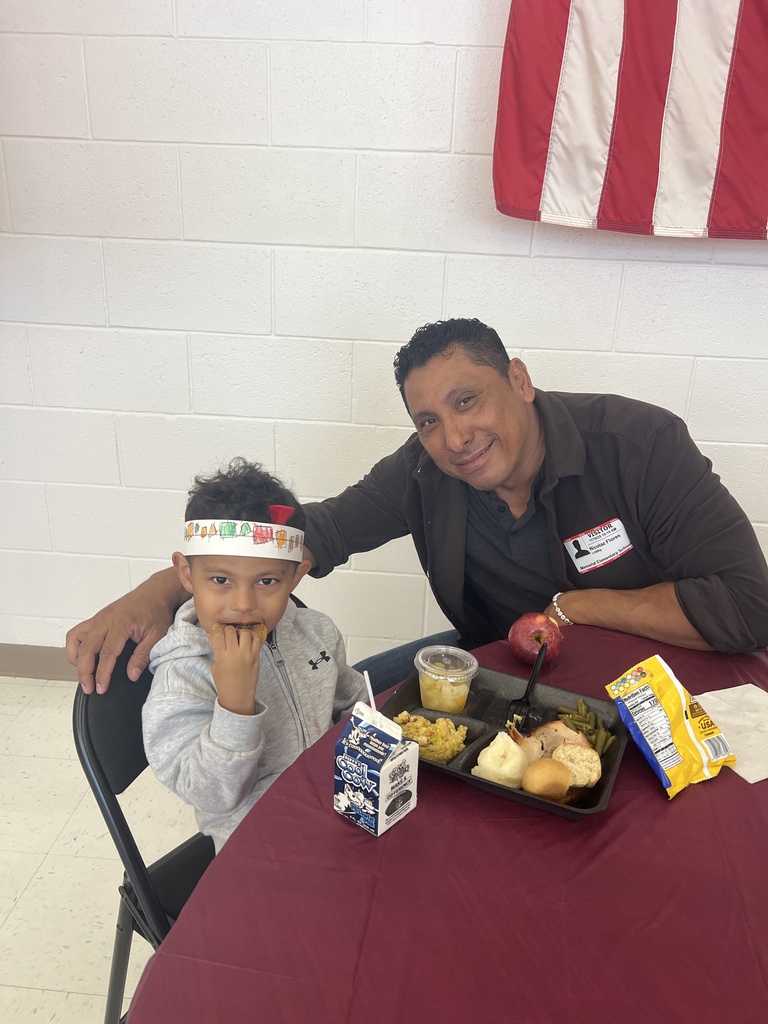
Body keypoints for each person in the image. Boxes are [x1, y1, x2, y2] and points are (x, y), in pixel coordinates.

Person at [67, 319, 768, 695]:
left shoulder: (641, 444)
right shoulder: (421, 473)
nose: (454, 437)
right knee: (337, 730)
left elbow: (747, 606)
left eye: (467, 401)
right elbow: (310, 531)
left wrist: (576, 609)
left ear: (518, 380)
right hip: (494, 675)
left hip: (658, 685)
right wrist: (166, 586)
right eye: (428, 420)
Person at [140, 458, 367, 851]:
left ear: (295, 577)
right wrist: (234, 707)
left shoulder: (317, 632)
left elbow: (352, 704)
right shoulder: (182, 677)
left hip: (338, 816)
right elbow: (209, 796)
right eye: (220, 580)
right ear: (186, 574)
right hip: (256, 850)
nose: (243, 604)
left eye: (266, 581)